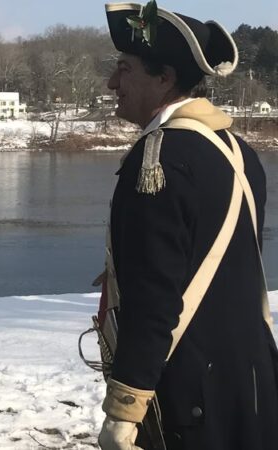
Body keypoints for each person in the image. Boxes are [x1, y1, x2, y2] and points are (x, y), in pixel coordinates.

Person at [97, 2, 278, 450]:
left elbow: (153, 299)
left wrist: (125, 407)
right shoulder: (238, 151)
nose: (112, 83)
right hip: (250, 385)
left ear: (165, 77)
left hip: (188, 398)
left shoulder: (155, 161)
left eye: (124, 69)